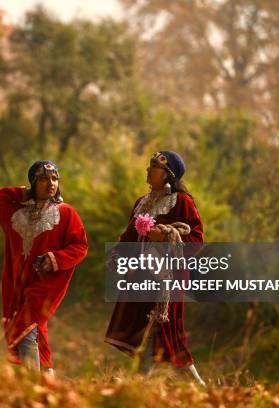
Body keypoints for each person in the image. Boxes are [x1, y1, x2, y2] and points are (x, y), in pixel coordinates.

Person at [104, 150, 206, 386]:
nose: (148, 170)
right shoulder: (142, 202)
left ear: (168, 174)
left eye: (154, 167)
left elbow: (197, 240)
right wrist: (118, 255)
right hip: (140, 276)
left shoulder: (182, 202)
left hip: (167, 279)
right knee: (146, 331)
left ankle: (191, 387)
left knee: (163, 331)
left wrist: (166, 236)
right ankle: (143, 385)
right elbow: (129, 237)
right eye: (149, 166)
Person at [0, 160, 88, 373]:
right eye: (43, 178)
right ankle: (46, 380)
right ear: (33, 183)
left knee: (25, 327)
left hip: (46, 283)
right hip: (17, 284)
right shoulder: (15, 213)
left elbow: (81, 246)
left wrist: (56, 258)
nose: (51, 183)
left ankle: (32, 384)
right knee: (34, 330)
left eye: (55, 178)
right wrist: (23, 194)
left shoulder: (66, 213)